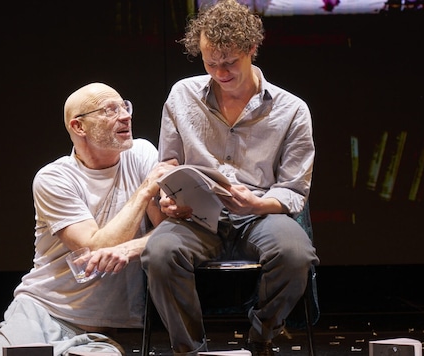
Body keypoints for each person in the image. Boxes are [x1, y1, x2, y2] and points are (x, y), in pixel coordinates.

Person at [140, 1, 320, 355]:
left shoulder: (291, 109)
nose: (220, 72)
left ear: (252, 49)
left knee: (296, 255)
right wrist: (168, 196)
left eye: (230, 63)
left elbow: (295, 188)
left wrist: (257, 202)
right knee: (159, 253)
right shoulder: (182, 95)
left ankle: (262, 336)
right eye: (210, 63)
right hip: (196, 215)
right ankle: (190, 350)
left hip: (259, 213)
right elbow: (170, 162)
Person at [0, 82, 175, 356]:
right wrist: (146, 190)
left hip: (103, 330)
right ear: (78, 127)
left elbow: (169, 229)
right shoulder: (54, 178)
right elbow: (95, 247)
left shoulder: (142, 154)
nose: (125, 116)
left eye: (125, 106)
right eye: (109, 110)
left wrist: (129, 248)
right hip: (42, 311)